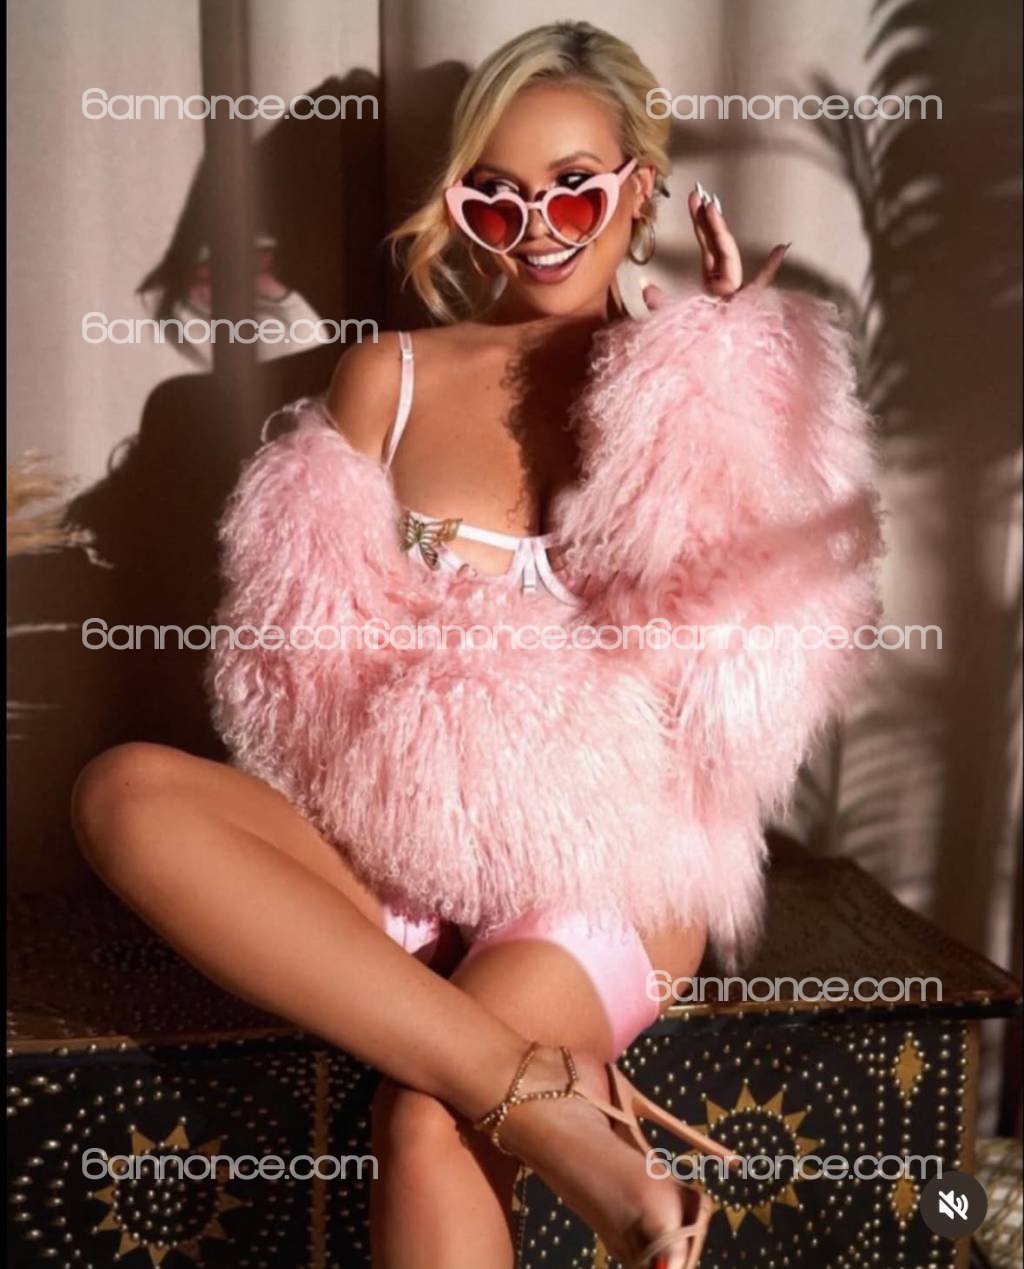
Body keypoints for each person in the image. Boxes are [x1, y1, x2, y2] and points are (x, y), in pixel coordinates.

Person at [71, 20, 882, 1269]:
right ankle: (555, 1112)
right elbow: (300, 676)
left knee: (426, 1119)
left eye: (575, 187)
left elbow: (751, 675)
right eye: (495, 198)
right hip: (394, 848)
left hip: (607, 870)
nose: (537, 226)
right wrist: (392, 833)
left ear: (640, 191)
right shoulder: (386, 377)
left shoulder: (696, 386)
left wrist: (718, 382)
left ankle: (506, 1094)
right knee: (123, 790)